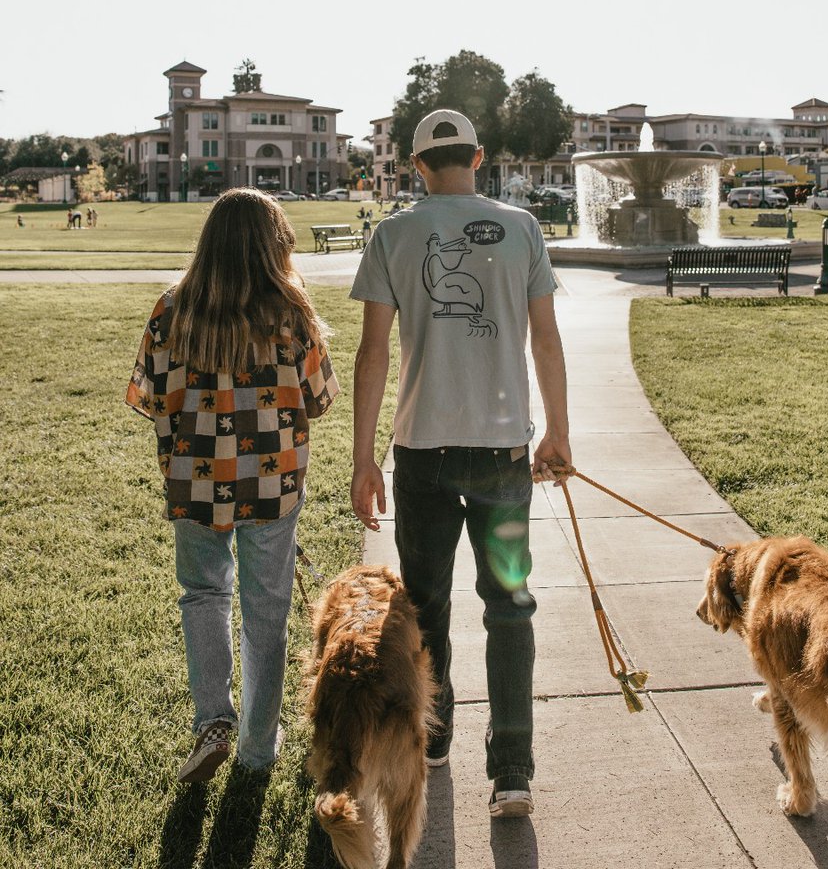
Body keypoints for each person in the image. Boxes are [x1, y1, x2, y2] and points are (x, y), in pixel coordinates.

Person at [349, 108, 571, 820]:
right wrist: (557, 433)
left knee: (427, 603)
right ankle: (512, 772)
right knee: (509, 607)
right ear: (478, 157)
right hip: (504, 453)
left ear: (417, 166)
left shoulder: (393, 233)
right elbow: (546, 338)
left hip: (422, 457)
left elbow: (374, 353)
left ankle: (434, 736)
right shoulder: (523, 227)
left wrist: (363, 458)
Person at [126, 188, 339, 783]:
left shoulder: (171, 309)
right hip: (272, 484)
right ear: (275, 245)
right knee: (266, 613)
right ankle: (256, 749)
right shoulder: (291, 311)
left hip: (193, 481)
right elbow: (319, 399)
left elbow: (149, 396)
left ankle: (212, 721)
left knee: (203, 595)